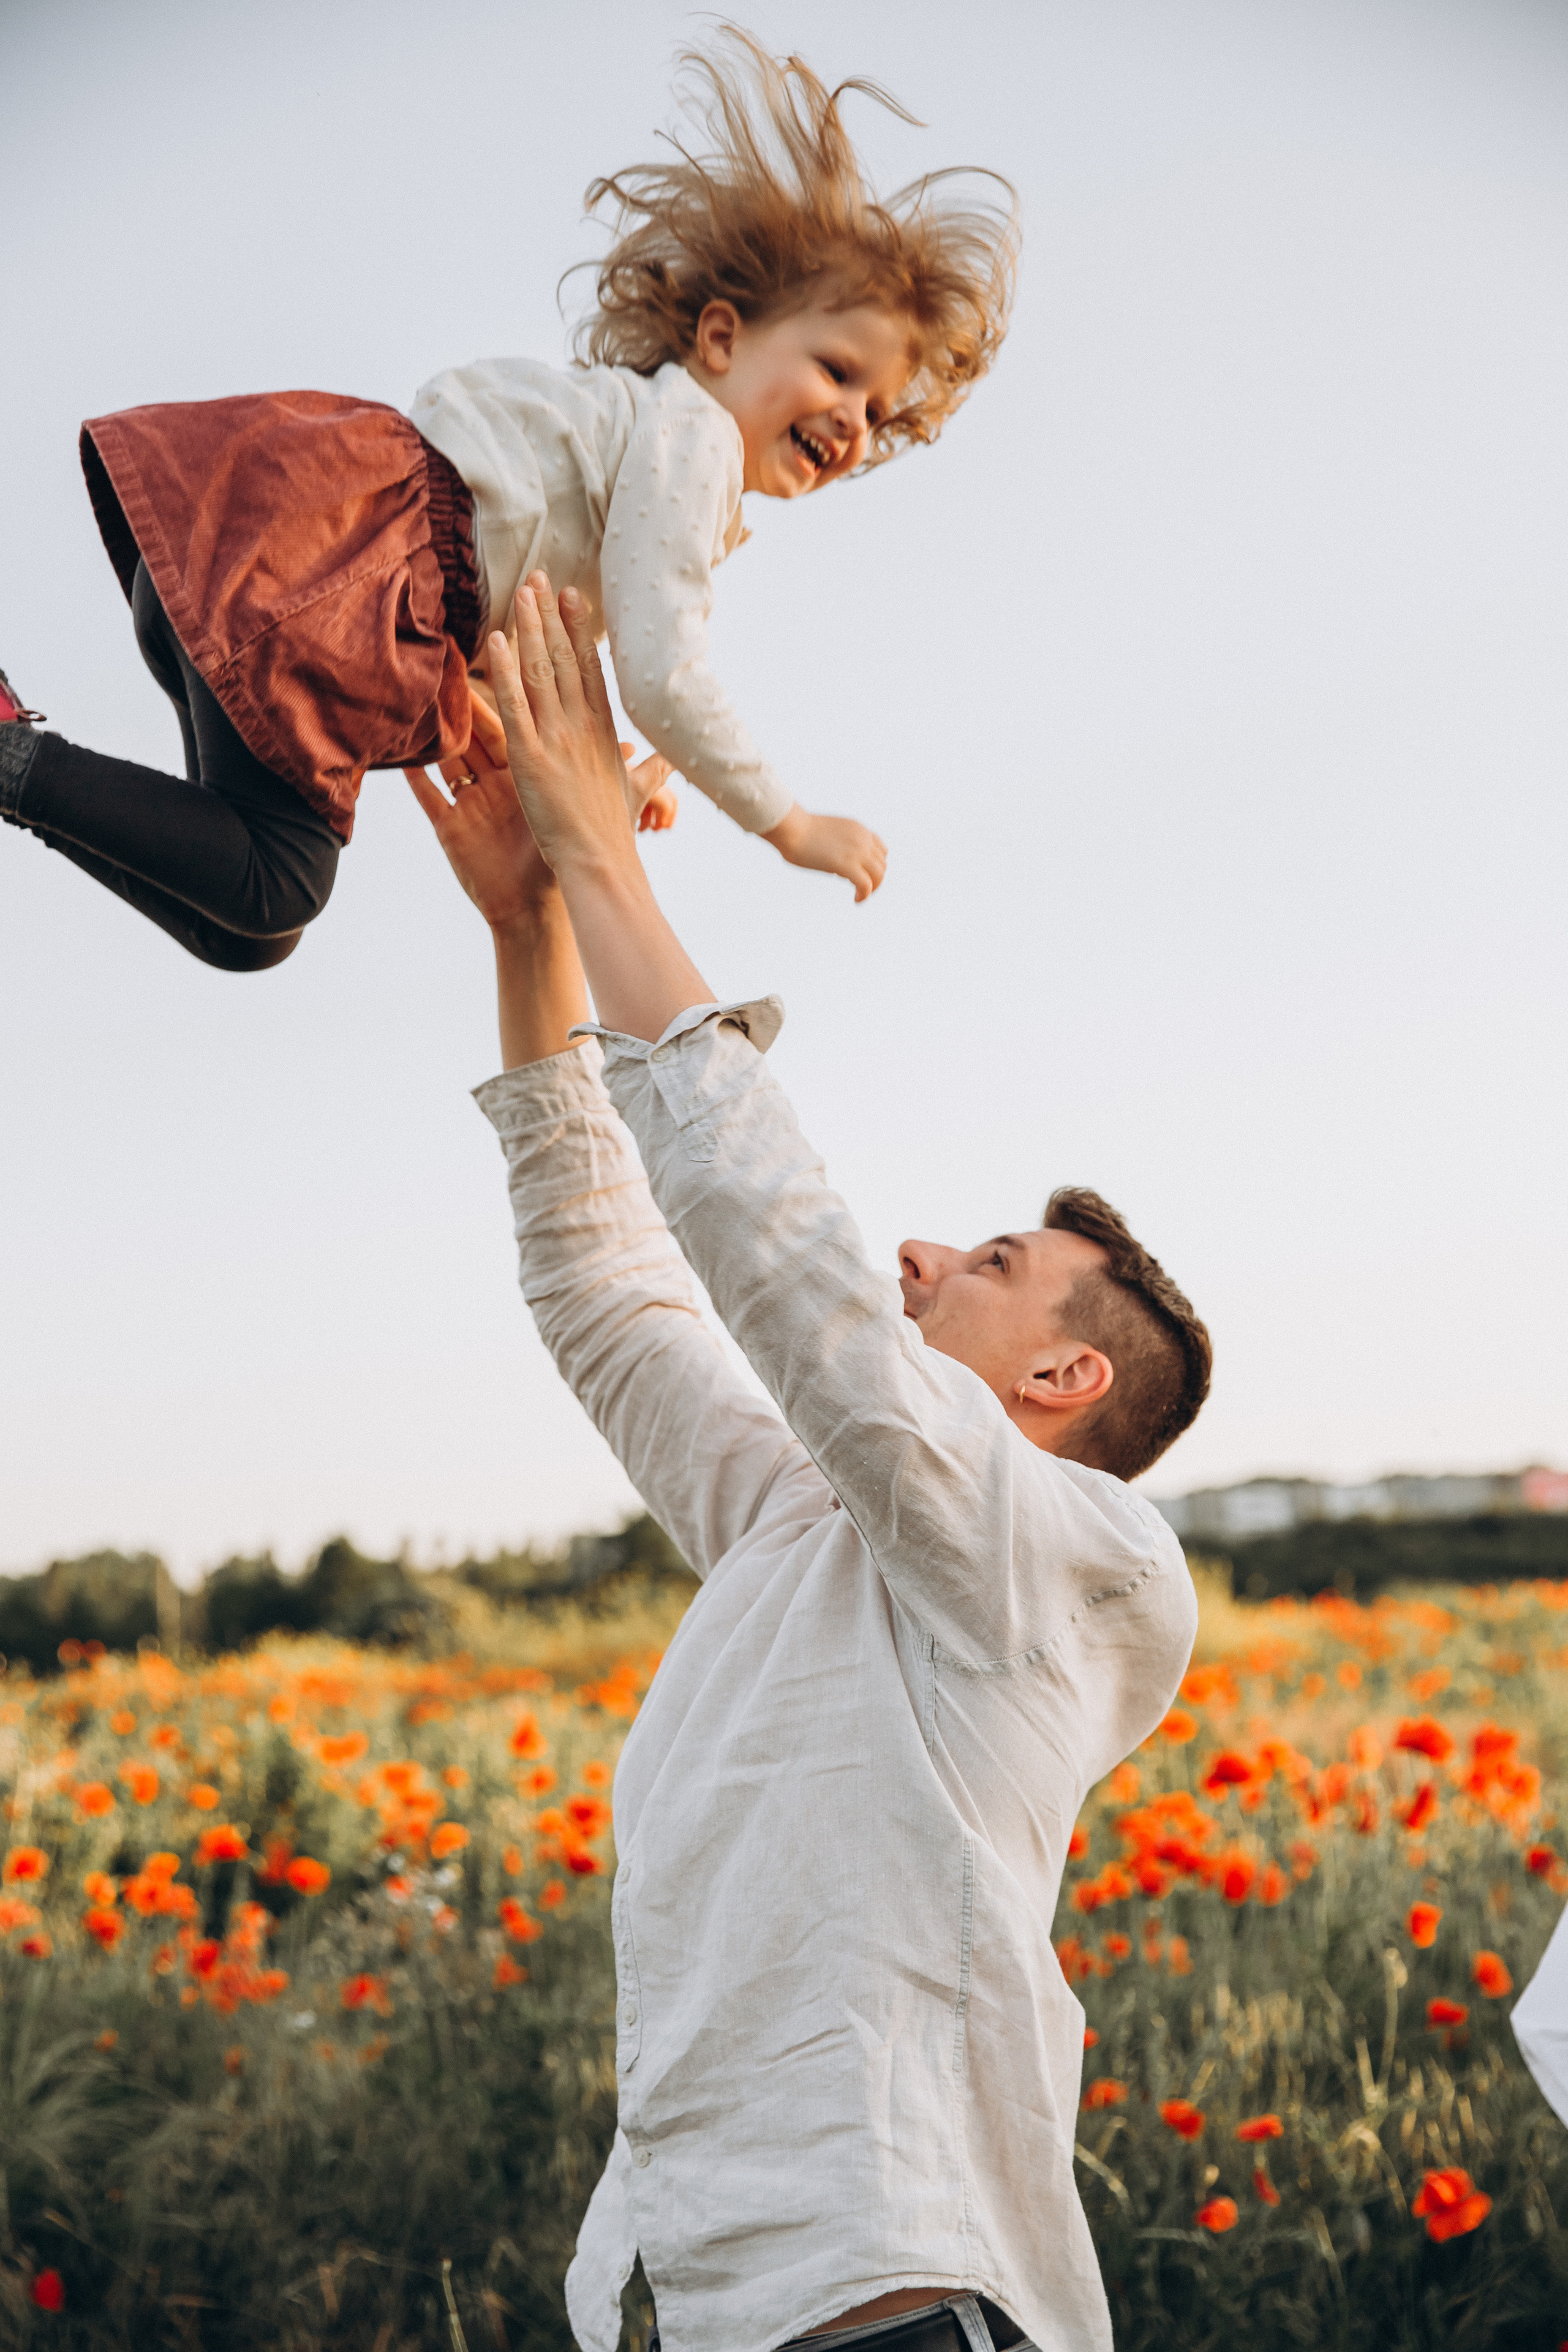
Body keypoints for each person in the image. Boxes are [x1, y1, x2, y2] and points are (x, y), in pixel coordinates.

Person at [410, 572, 1212, 2352]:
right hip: (716, 2303)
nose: (924, 1252)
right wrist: (531, 928)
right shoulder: (806, 1523)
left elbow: (799, 1283)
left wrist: (609, 859)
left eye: (990, 1264)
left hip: (898, 2306)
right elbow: (609, 1293)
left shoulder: (1086, 1565)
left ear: (1067, 1377)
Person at [0, 31, 1016, 971]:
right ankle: (11, 760)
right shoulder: (694, 439)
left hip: (257, 562)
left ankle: (22, 773)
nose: (853, 420)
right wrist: (788, 823)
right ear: (720, 339)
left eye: (878, 412)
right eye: (837, 370)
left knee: (253, 930)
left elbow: (514, 642)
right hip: (314, 579)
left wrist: (595, 778)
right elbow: (665, 670)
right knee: (279, 885)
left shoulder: (620, 448)